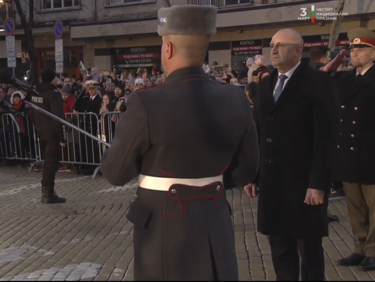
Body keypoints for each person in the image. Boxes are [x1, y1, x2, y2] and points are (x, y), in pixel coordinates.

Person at [100, 5, 259, 281]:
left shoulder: (146, 101)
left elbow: (116, 173)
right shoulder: (235, 98)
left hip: (164, 229)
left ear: (169, 49)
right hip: (215, 218)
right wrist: (208, 183)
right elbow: (248, 167)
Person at [249, 28, 340, 281]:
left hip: (304, 185)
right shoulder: (265, 85)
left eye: (281, 45)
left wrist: (318, 184)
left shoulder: (319, 83)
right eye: (272, 44)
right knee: (280, 250)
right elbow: (259, 134)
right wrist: (254, 175)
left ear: (298, 50)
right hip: (272, 181)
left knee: (309, 252)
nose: (274, 50)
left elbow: (326, 137)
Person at [332, 27, 375, 271]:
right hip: (349, 152)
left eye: (361, 48)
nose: (354, 52)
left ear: (373, 53)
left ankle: (373, 250)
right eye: (352, 48)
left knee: (374, 207)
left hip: (371, 153)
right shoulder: (346, 78)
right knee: (355, 206)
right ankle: (360, 247)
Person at [308, 45, 340, 223]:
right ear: (322, 58)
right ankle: (321, 212)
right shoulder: (321, 72)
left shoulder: (307, 71)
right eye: (328, 56)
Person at [30, 69, 67, 204]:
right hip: (52, 134)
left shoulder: (35, 93)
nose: (58, 80)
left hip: (42, 132)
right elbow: (57, 117)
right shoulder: (53, 94)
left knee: (47, 163)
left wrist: (38, 127)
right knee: (51, 164)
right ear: (52, 79)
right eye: (56, 77)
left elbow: (31, 113)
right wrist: (62, 138)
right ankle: (48, 193)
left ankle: (47, 191)